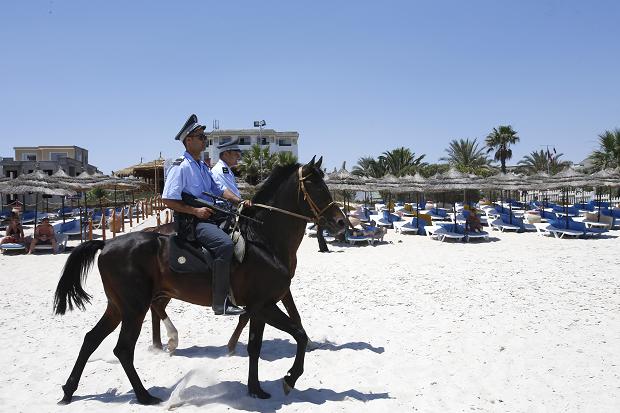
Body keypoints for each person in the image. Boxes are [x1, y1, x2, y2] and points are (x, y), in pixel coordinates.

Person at [162, 114, 246, 316]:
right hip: (192, 221)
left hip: (209, 215)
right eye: (200, 137)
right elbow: (167, 199)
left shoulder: (201, 166)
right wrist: (195, 211)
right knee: (224, 245)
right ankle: (220, 302)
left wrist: (240, 201)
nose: (204, 140)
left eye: (204, 136)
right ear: (188, 140)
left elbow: (218, 189)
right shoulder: (180, 165)